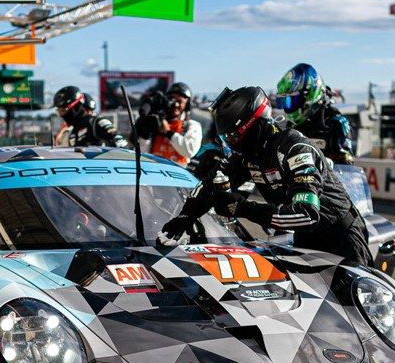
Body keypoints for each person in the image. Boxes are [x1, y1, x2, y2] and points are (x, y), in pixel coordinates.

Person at [159, 86, 371, 266]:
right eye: (226, 138)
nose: (231, 143)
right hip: (307, 236)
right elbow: (210, 184)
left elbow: (306, 214)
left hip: (341, 235)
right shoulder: (247, 154)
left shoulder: (295, 149)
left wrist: (242, 208)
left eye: (234, 135)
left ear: (255, 126)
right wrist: (185, 217)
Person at [274, 63, 355, 164]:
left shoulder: (336, 124)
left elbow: (347, 167)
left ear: (310, 95)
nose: (288, 108)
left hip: (328, 179)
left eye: (291, 101)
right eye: (285, 102)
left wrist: (327, 164)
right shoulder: (290, 126)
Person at [135, 82, 202, 167]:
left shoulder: (191, 125)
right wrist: (145, 134)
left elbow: (189, 150)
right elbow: (142, 153)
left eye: (179, 101)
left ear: (187, 104)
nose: (176, 105)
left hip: (178, 175)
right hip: (154, 172)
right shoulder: (156, 122)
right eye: (172, 100)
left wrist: (169, 133)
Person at [52, 85, 129, 148]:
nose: (61, 115)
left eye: (63, 110)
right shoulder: (72, 133)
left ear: (75, 107)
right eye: (59, 111)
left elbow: (122, 145)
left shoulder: (97, 123)